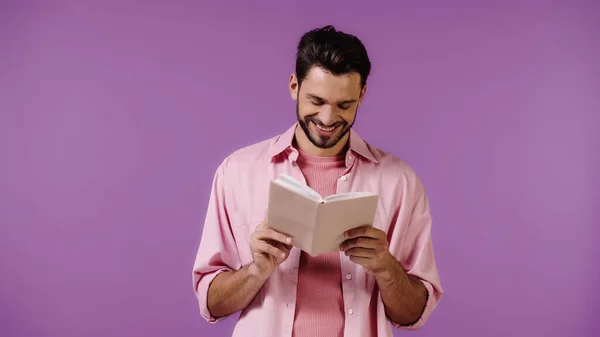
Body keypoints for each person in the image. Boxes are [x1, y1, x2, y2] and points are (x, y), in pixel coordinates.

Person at [192, 25, 443, 337]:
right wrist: (256, 270)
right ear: (294, 86)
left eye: (344, 105)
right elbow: (212, 304)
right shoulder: (237, 172)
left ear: (362, 95)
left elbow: (413, 315)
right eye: (316, 101)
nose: (327, 118)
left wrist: (385, 266)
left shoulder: (400, 182)